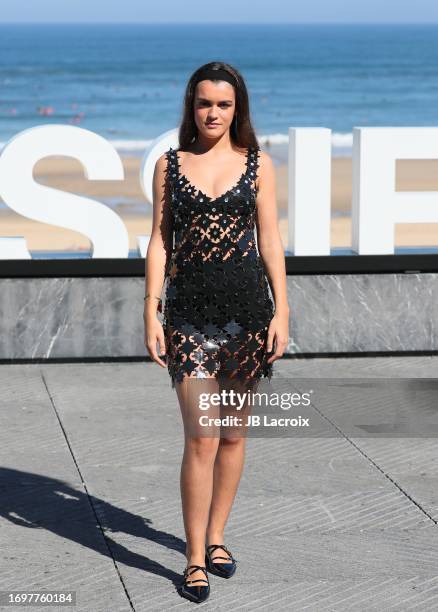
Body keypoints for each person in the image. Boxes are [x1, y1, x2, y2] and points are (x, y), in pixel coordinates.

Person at [144, 61, 289, 603]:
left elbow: (270, 239)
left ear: (237, 109)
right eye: (205, 103)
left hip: (249, 313)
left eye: (223, 104)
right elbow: (160, 240)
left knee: (232, 435)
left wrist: (282, 310)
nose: (213, 112)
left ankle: (218, 536)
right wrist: (150, 308)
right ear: (192, 106)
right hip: (187, 318)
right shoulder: (170, 165)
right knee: (202, 437)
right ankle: (193, 557)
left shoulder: (258, 165)